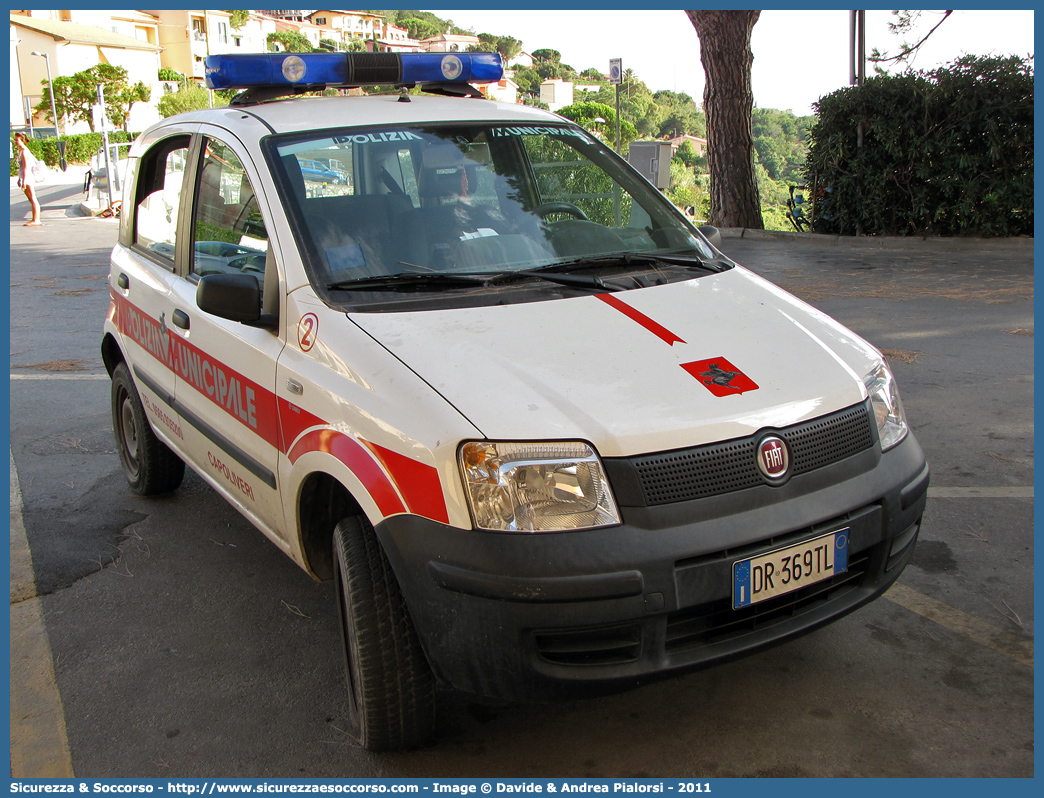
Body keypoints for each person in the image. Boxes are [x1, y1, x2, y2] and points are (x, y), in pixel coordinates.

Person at [14, 132, 42, 226]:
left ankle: (36, 220)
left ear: (22, 140)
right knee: (30, 198)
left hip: (28, 177)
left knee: (33, 197)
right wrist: (20, 179)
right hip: (24, 176)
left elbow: (26, 167)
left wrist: (24, 182)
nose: (15, 141)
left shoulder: (25, 151)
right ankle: (35, 218)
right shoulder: (22, 150)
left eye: (16, 140)